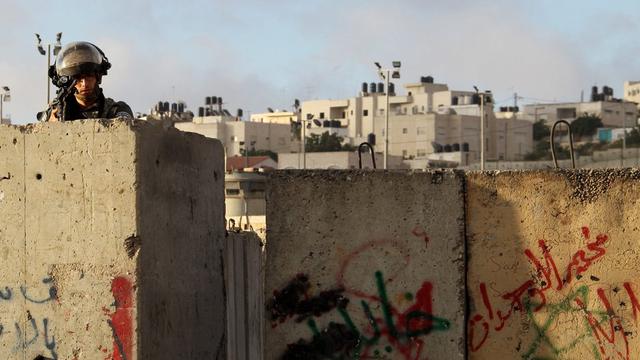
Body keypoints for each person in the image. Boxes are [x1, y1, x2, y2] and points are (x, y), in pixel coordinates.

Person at [41, 41, 133, 122]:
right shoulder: (54, 112)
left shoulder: (115, 111)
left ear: (98, 77)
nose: (84, 84)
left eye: (89, 76)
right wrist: (50, 127)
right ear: (67, 81)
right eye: (77, 78)